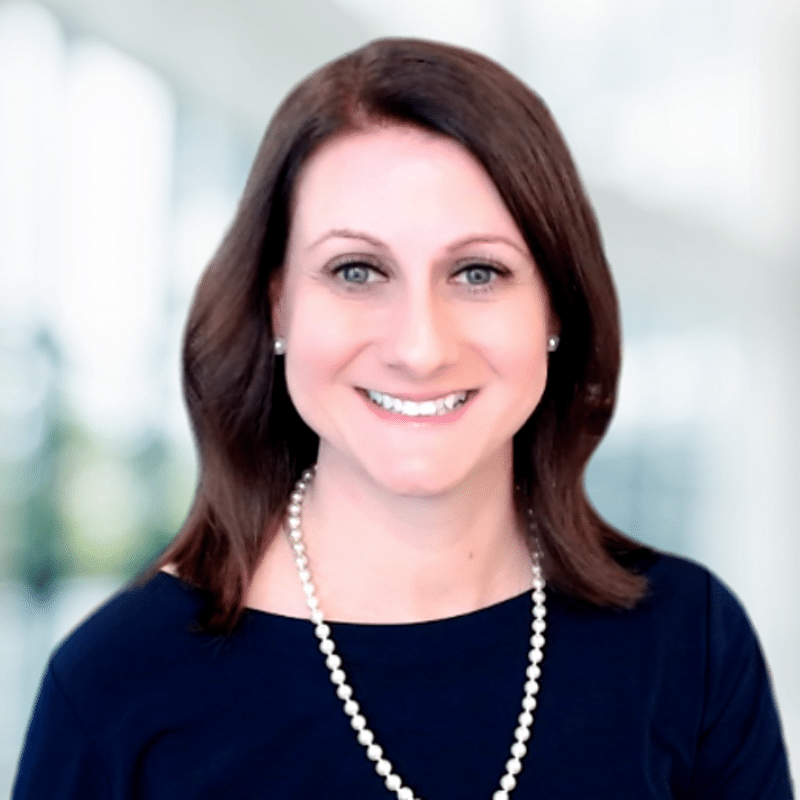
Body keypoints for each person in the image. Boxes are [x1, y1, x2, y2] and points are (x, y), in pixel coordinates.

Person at [13, 38, 793, 800]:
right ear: (278, 301)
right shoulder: (117, 684)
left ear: (555, 305)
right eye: (357, 270)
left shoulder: (691, 645)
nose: (420, 348)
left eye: (478, 272)